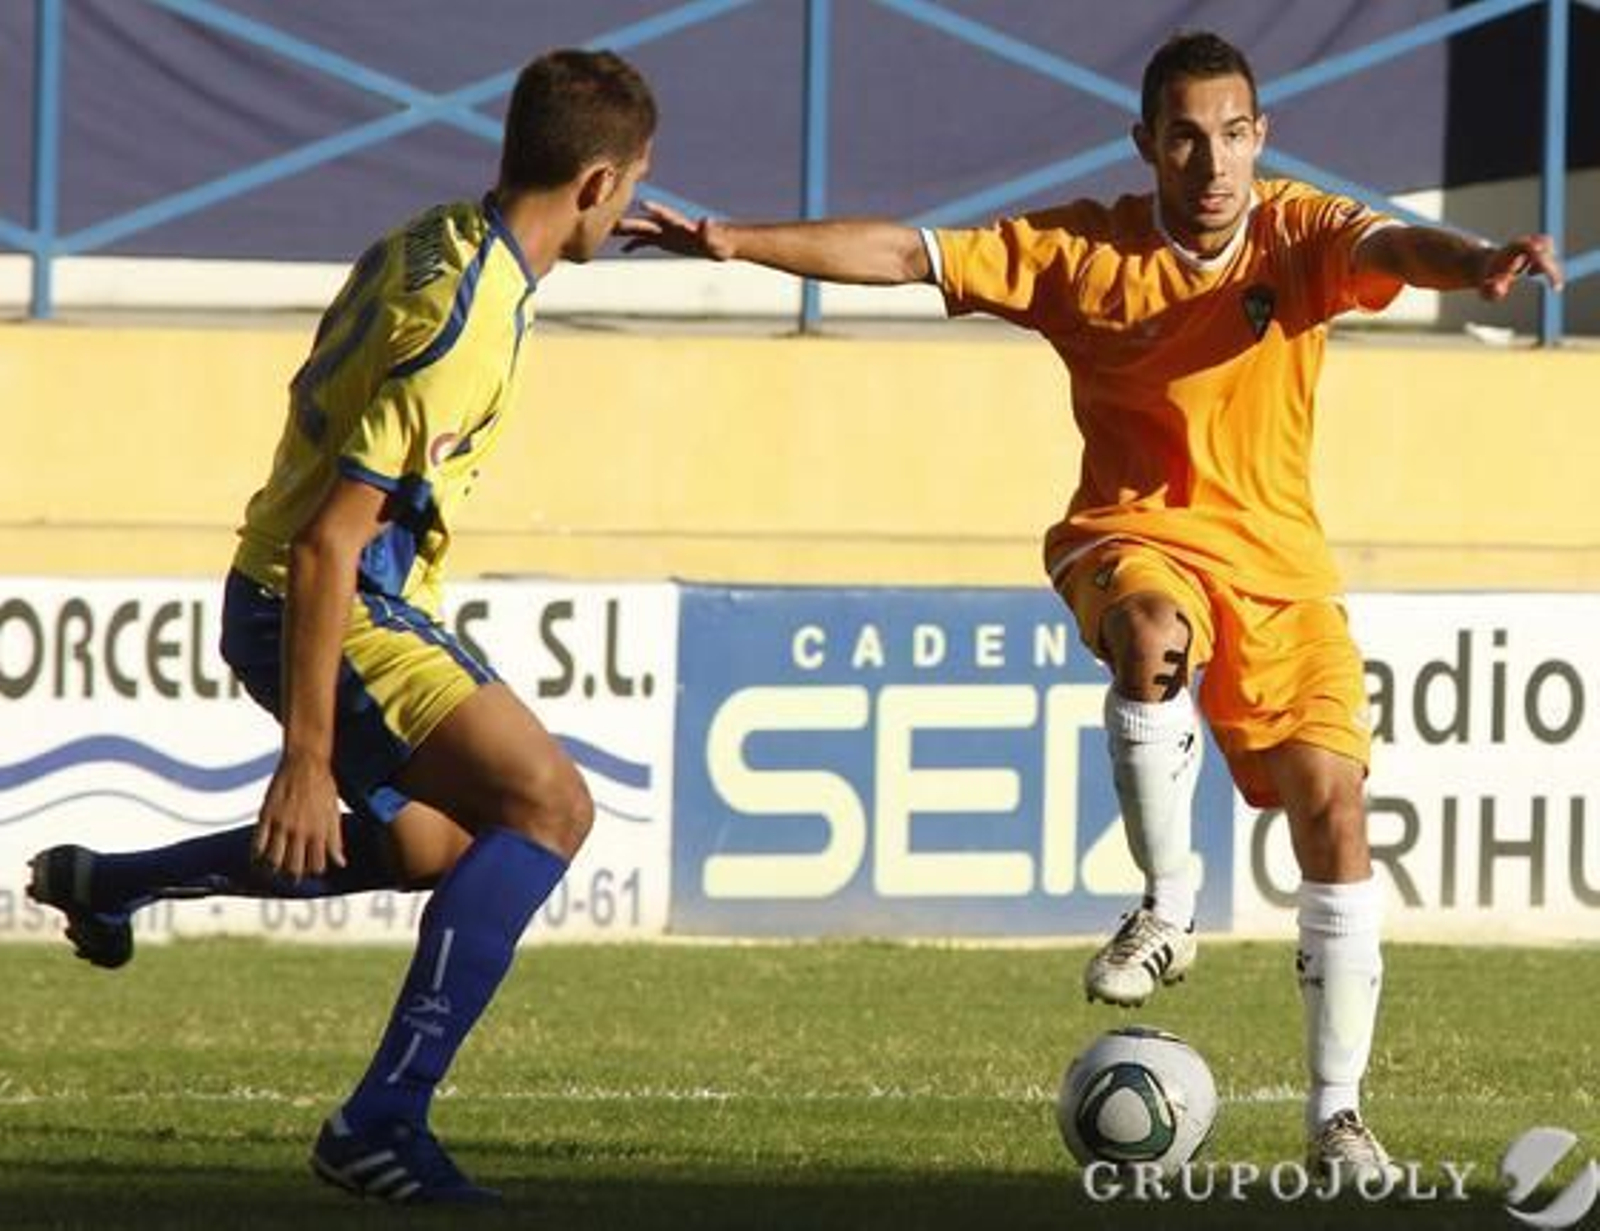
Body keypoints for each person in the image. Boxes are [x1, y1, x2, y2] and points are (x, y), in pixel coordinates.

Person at [618, 30, 1563, 1182]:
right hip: (1135, 537)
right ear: (1147, 147)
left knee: (1334, 813)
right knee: (1152, 636)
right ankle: (1167, 906)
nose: (1211, 163)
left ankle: (1335, 1117)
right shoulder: (1081, 251)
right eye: (1184, 138)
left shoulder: (1296, 232)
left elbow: (1394, 243)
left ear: (1258, 138)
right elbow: (910, 253)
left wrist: (1474, 264)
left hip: (1279, 567)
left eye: (1231, 135)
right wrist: (733, 240)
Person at [27, 48, 657, 1204]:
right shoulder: (469, 325)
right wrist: (304, 758)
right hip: (323, 598)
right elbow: (329, 541)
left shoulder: (435, 237)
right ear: (597, 183)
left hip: (303, 588)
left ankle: (114, 881)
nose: (623, 215)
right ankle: (380, 1119)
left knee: (436, 848)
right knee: (551, 806)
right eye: (628, 191)